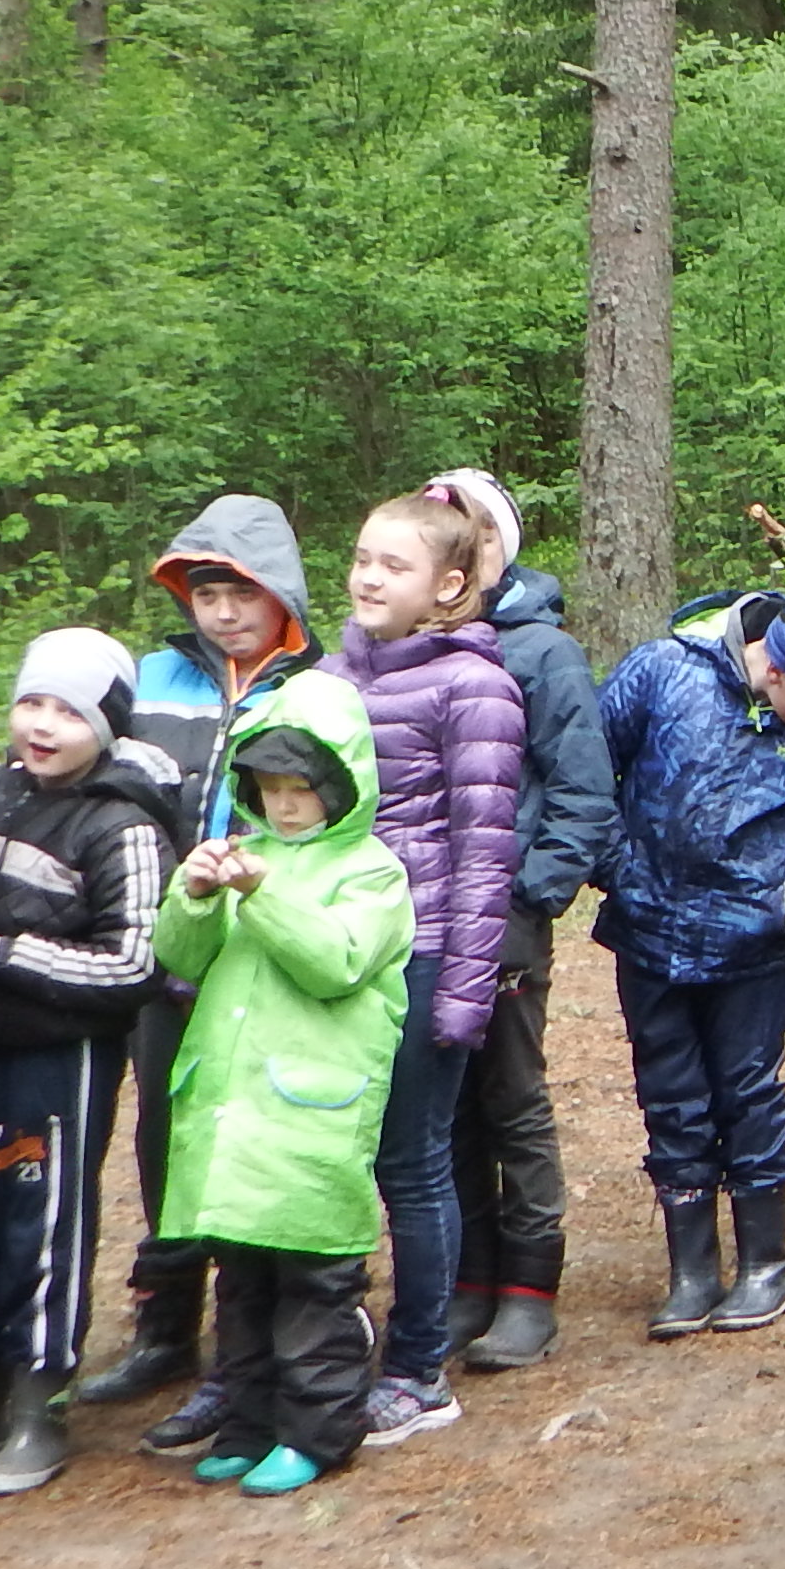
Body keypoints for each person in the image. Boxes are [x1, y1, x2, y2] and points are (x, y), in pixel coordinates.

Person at [0, 629, 188, 1502]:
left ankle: (39, 1405)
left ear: (106, 723)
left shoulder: (123, 823)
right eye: (32, 702)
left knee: (37, 1222)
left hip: (54, 1061)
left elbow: (134, 965)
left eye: (68, 711)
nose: (43, 724)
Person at [151, 671, 416, 1493]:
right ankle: (248, 1423)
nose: (286, 805)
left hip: (313, 1114)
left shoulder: (373, 872)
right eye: (270, 789)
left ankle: (317, 1432)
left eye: (302, 789)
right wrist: (196, 896)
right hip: (234, 1114)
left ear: (341, 784)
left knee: (314, 1283)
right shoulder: (249, 855)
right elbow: (180, 958)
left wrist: (258, 896)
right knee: (241, 1283)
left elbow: (334, 963)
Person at [92, 497, 321, 1413]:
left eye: (241, 593)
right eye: (205, 594)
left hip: (257, 947)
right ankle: (164, 1323)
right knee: (163, 1133)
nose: (223, 613)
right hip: (158, 938)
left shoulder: (313, 687)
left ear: (281, 594)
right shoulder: (150, 680)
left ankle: (247, 1337)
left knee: (249, 1134)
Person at [316, 491, 527, 1452]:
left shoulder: (476, 687)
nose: (367, 577)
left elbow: (486, 852)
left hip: (423, 949)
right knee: (329, 1155)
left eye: (392, 565)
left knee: (412, 1161)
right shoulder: (325, 679)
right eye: (362, 557)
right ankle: (323, 1346)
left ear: (449, 586)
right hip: (328, 953)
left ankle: (416, 1369)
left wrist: (463, 989)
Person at [594, 587, 785, 1336]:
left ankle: (765, 1264)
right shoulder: (661, 672)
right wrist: (620, 871)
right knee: (670, 1094)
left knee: (749, 1093)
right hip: (650, 931)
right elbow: (589, 772)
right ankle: (691, 1270)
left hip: (754, 943)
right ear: (773, 671)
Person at [425, 471, 614, 1374]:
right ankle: (469, 1279)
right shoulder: (403, 652)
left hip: (503, 913)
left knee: (510, 1096)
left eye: (481, 540)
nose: (465, 558)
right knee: (446, 1104)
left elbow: (583, 788)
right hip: (420, 914)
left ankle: (531, 1290)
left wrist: (531, 892)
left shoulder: (543, 653)